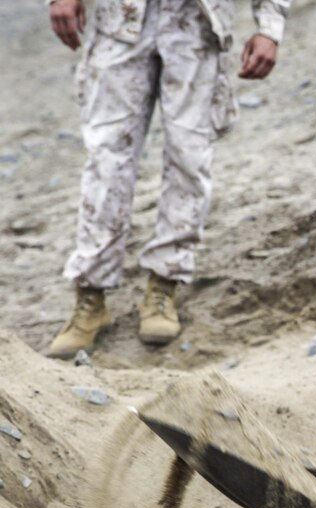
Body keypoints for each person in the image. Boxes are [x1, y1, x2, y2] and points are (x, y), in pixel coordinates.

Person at [46, 0, 289, 358]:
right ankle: (91, 295)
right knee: (106, 161)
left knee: (189, 157)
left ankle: (164, 283)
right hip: (120, 19)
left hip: (197, 22)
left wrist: (269, 27)